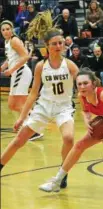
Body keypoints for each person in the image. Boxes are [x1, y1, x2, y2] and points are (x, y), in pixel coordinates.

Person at [39, 68, 103, 193]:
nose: (82, 86)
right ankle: (57, 181)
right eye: (79, 84)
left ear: (93, 83)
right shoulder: (82, 96)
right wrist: (87, 121)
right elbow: (85, 111)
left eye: (85, 83)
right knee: (79, 146)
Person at [0, 27, 79, 189]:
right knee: (19, 140)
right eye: (54, 43)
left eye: (61, 43)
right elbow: (33, 93)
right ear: (47, 47)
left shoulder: (70, 65)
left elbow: (85, 89)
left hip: (63, 108)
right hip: (43, 107)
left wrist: (89, 114)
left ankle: (62, 175)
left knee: (69, 138)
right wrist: (22, 116)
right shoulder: (40, 66)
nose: (58, 46)